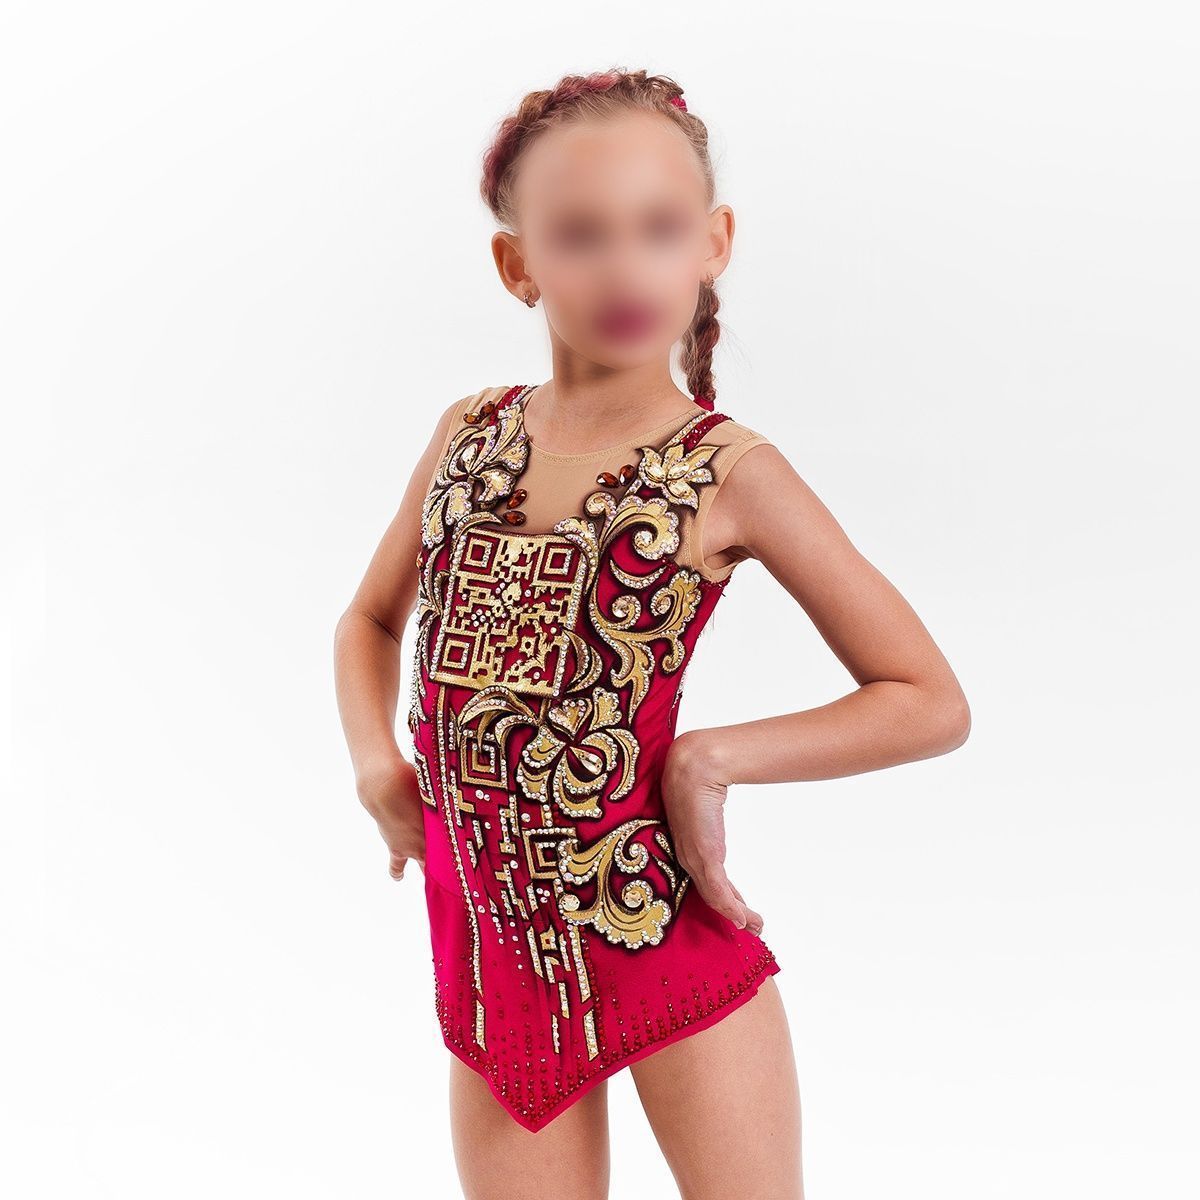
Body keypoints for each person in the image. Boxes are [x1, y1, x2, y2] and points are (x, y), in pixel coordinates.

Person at [333, 67, 970, 1200]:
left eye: (660, 229)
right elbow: (371, 619)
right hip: (493, 959)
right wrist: (378, 763)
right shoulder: (468, 434)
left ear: (712, 243)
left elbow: (928, 699)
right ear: (518, 265)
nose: (626, 268)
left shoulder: (731, 471)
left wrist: (710, 758)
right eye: (581, 236)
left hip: (659, 934)